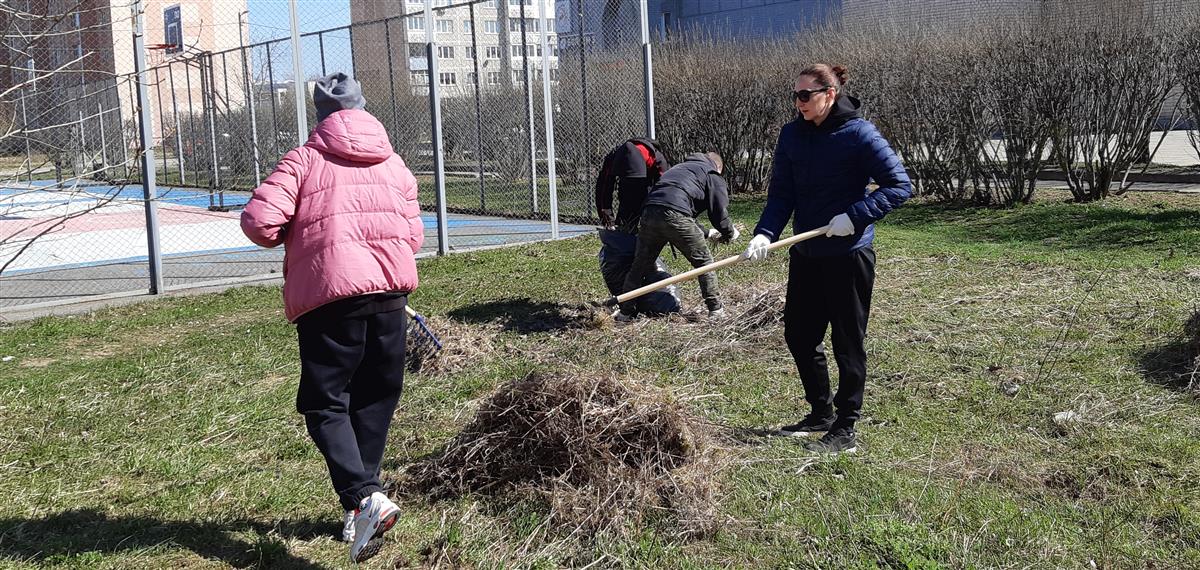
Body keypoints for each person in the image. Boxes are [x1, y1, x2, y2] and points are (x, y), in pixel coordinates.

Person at [240, 72, 423, 564]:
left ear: (320, 113)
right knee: (374, 397)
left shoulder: (303, 159)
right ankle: (362, 501)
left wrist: (297, 234)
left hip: (330, 297)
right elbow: (414, 235)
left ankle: (364, 498)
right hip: (389, 294)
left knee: (324, 403)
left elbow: (259, 223)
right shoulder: (394, 162)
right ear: (363, 108)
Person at [743, 64, 911, 454]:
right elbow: (782, 193)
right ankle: (821, 413)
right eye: (795, 95)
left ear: (829, 94)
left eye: (806, 95)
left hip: (848, 254)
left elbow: (899, 186)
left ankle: (846, 427)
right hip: (807, 250)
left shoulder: (860, 134)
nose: (798, 103)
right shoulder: (791, 135)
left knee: (847, 341)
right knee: (799, 334)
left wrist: (854, 216)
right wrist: (765, 232)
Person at [615, 151, 738, 321]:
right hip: (675, 214)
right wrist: (729, 232)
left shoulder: (679, 169)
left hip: (649, 213)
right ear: (718, 167)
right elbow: (718, 212)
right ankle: (716, 310)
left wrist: (708, 232)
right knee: (704, 263)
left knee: (639, 267)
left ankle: (625, 313)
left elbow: (680, 210)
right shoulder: (711, 174)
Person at [595, 138, 681, 315]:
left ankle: (642, 281)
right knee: (627, 238)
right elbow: (604, 186)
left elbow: (667, 190)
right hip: (633, 204)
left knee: (641, 242)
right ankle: (631, 288)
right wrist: (606, 214)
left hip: (646, 199)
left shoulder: (654, 160)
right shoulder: (616, 158)